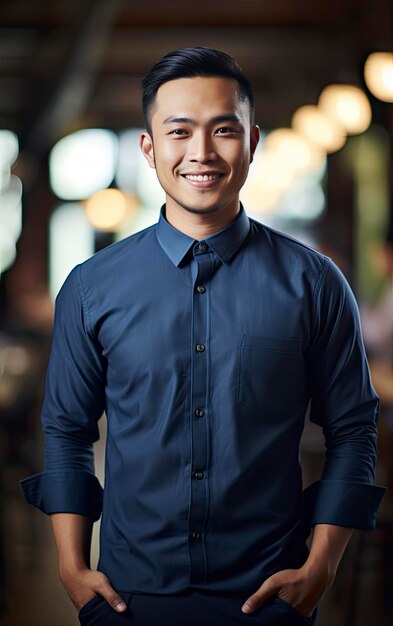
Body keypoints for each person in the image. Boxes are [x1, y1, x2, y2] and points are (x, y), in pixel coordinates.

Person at [21, 47, 385, 626]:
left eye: (224, 131)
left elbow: (353, 428)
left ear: (253, 141)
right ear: (149, 148)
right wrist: (72, 566)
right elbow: (66, 428)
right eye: (179, 132)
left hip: (270, 597)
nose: (201, 153)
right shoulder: (91, 288)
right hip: (126, 596)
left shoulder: (315, 283)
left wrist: (320, 567)